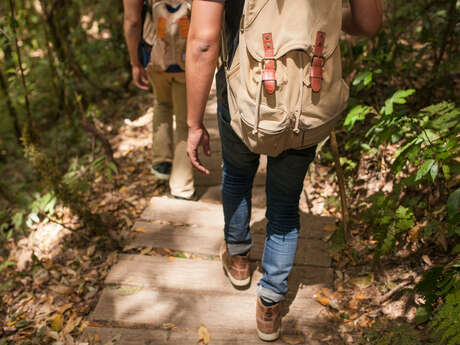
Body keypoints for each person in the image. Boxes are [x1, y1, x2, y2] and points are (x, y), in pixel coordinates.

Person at [186, 0, 382, 341]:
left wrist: (193, 124)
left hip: (242, 92)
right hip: (310, 94)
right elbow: (368, 23)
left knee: (236, 174)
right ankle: (270, 303)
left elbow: (204, 41)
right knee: (285, 202)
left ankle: (238, 259)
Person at [123, 0, 196, 200]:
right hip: (187, 56)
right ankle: (182, 187)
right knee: (184, 121)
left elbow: (132, 21)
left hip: (155, 55)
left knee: (162, 103)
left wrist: (135, 63)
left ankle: (162, 161)